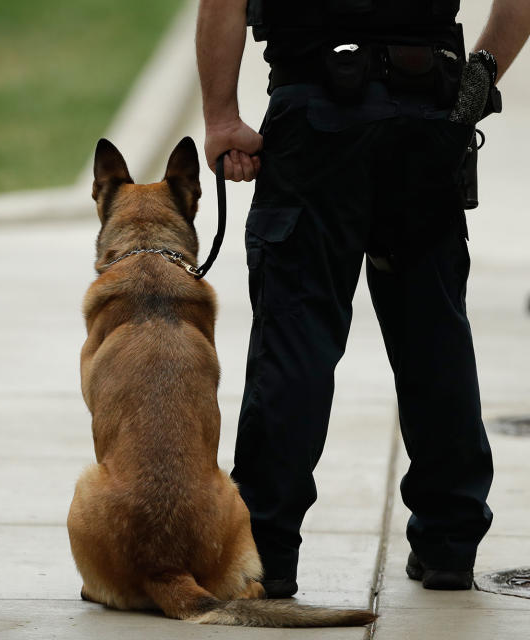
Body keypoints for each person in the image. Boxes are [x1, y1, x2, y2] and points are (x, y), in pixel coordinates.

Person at [196, 0, 530, 598]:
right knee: (436, 336)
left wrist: (221, 116)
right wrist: (479, 79)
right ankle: (448, 545)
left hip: (316, 120)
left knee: (297, 338)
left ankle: (264, 553)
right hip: (427, 114)